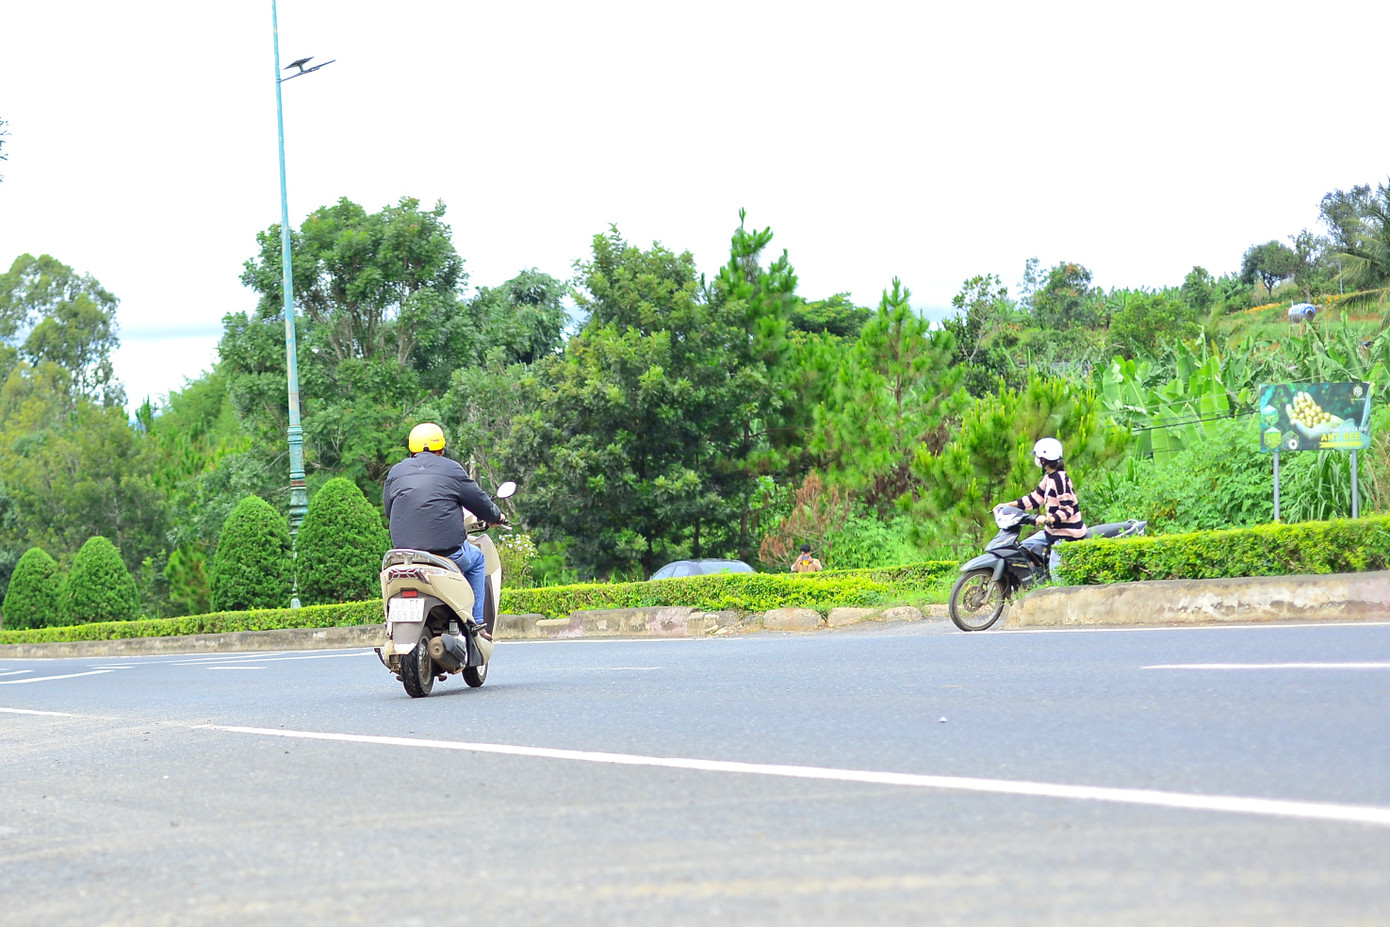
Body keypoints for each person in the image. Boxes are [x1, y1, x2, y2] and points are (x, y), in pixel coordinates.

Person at [383, 422, 505, 637]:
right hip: (446, 554)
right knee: (477, 559)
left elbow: (388, 510)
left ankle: (390, 626)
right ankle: (476, 623)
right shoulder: (451, 469)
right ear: (441, 449)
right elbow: (479, 501)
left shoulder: (396, 472)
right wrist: (497, 516)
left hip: (404, 556)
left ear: (412, 449)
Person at [1001, 437, 1087, 573]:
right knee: (1022, 548)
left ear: (1044, 460)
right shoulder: (1049, 477)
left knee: (1056, 573)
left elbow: (1067, 509)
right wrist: (1010, 505)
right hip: (1051, 532)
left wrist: (1050, 519)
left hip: (1066, 534)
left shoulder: (1060, 479)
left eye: (1038, 457)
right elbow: (1036, 498)